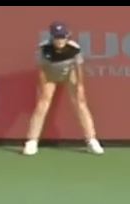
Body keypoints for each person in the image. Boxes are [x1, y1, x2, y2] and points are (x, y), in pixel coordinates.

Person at [23, 22, 104, 156]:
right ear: (51, 37)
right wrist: (43, 87)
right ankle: (32, 141)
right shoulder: (44, 49)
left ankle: (91, 140)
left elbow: (79, 69)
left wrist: (79, 86)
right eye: (57, 37)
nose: (59, 40)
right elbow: (42, 70)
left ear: (67, 37)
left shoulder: (74, 49)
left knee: (81, 103)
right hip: (50, 75)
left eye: (62, 37)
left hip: (69, 74)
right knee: (42, 104)